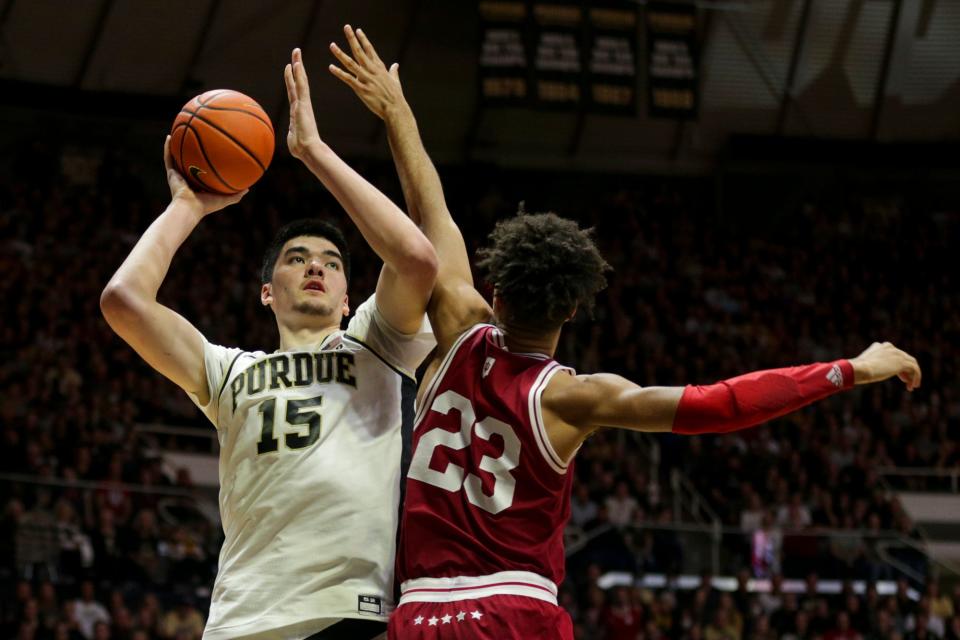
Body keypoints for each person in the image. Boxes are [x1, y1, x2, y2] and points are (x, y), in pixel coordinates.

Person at [329, 26, 922, 640]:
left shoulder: (457, 325)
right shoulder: (573, 396)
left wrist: (397, 111)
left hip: (418, 612)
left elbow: (431, 210)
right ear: (571, 311)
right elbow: (721, 404)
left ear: (497, 294)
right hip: (514, 609)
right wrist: (850, 368)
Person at [101, 47, 438, 639]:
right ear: (266, 292)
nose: (315, 266)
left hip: (349, 612)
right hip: (240, 619)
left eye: (332, 264)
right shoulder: (229, 372)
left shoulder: (375, 343)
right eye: (297, 258)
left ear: (345, 299)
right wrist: (187, 206)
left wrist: (313, 152)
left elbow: (414, 256)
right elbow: (124, 301)